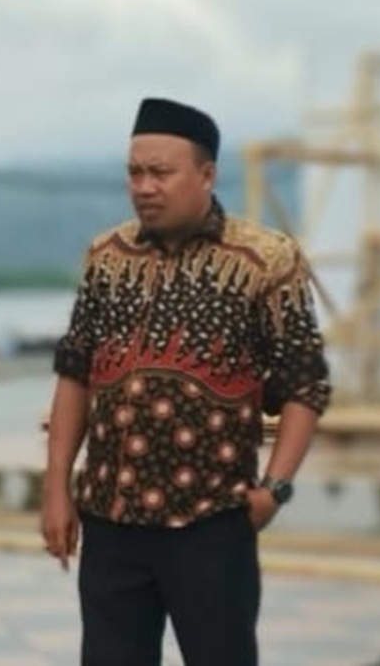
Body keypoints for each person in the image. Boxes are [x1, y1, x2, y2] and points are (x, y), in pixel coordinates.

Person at [40, 97, 331, 666]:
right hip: (110, 521)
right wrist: (56, 488)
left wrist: (275, 489)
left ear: (206, 174)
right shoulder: (106, 257)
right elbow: (75, 374)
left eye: (160, 173)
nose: (144, 187)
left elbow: (305, 385)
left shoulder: (265, 260)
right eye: (134, 173)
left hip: (211, 523)